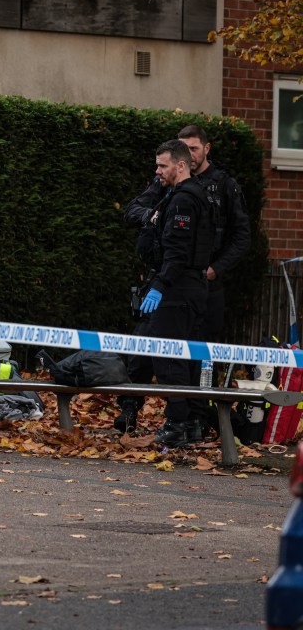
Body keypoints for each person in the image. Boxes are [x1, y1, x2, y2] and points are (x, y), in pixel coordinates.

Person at [117, 124, 250, 432]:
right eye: (184, 148)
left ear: (205, 149)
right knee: (148, 353)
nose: (158, 171)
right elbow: (135, 210)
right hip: (173, 280)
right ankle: (136, 410)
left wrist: (213, 269)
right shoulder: (171, 189)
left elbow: (234, 238)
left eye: (193, 149)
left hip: (187, 283)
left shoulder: (207, 191)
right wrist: (152, 217)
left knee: (184, 358)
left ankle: (189, 421)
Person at [127, 139, 215, 447]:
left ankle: (177, 422)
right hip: (190, 287)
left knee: (168, 357)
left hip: (177, 288)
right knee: (186, 358)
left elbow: (176, 252)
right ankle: (190, 421)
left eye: (163, 165)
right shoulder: (194, 195)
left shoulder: (182, 201)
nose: (157, 171)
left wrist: (160, 288)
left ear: (180, 165)